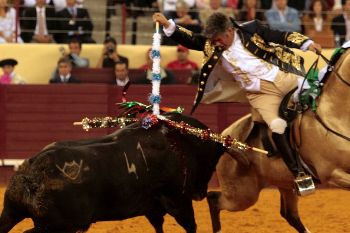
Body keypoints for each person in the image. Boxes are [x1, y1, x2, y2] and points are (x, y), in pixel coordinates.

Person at [153, 11, 322, 194]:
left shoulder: (252, 29)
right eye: (213, 40)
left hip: (285, 77)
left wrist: (307, 43)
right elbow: (192, 39)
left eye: (219, 39)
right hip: (260, 94)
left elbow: (281, 36)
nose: (217, 43)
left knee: (319, 98)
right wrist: (167, 24)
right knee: (277, 126)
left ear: (230, 31)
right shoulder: (213, 44)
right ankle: (299, 174)